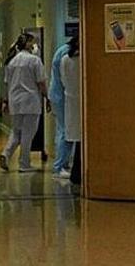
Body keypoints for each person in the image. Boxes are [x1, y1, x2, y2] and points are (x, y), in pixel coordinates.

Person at [0, 33, 50, 173]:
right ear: (28, 44)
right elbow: (41, 82)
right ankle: (24, 164)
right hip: (30, 101)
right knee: (28, 134)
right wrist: (47, 97)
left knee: (16, 132)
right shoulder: (34, 61)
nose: (36, 45)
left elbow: (7, 84)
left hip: (15, 101)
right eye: (34, 42)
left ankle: (6, 154)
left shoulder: (12, 61)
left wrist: (6, 102)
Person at [48, 39, 74, 177]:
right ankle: (59, 166)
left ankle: (62, 163)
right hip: (62, 94)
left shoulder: (61, 49)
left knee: (61, 130)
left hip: (57, 94)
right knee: (66, 130)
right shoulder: (66, 53)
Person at [57, 37, 81, 180]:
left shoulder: (65, 59)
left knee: (74, 135)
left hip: (70, 98)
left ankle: (73, 171)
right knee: (78, 137)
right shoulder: (82, 59)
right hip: (78, 100)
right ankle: (73, 170)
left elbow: (63, 79)